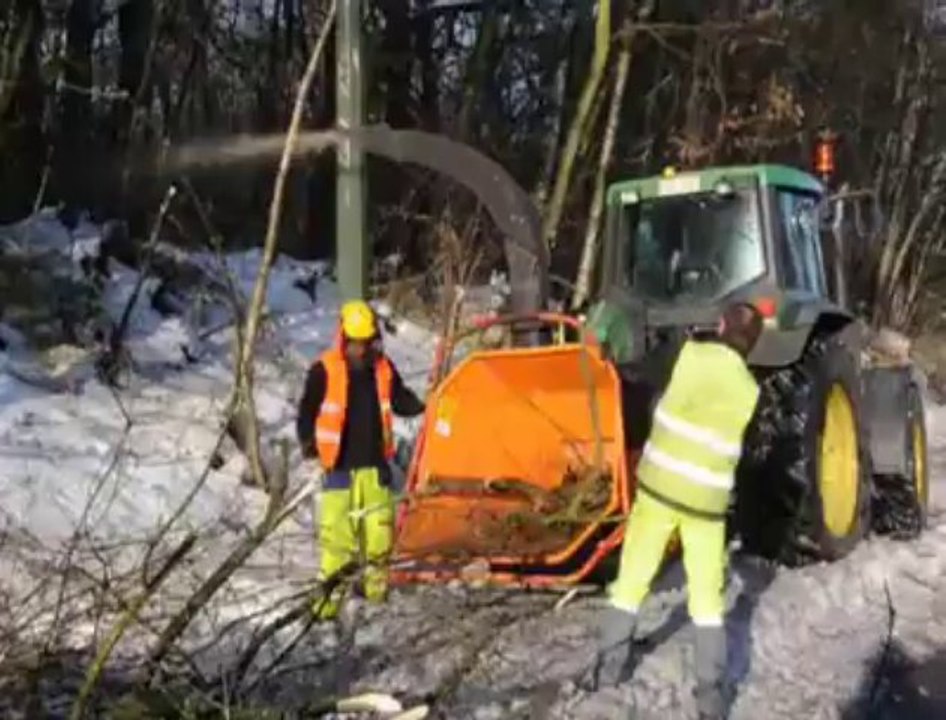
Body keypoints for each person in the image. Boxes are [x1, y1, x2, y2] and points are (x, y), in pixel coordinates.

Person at [591, 302, 764, 720]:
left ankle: (608, 673)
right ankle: (710, 697)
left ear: (720, 325)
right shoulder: (750, 390)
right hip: (706, 506)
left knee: (631, 581)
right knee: (707, 600)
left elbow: (639, 376)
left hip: (658, 492)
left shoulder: (687, 354)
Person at [296, 299, 425, 620]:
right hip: (339, 470)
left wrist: (428, 403)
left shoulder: (383, 368)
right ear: (343, 338)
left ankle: (376, 598)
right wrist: (308, 444)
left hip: (375, 469)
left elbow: (401, 400)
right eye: (356, 343)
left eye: (367, 342)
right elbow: (307, 412)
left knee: (379, 539)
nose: (361, 349)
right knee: (337, 545)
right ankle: (327, 608)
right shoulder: (324, 370)